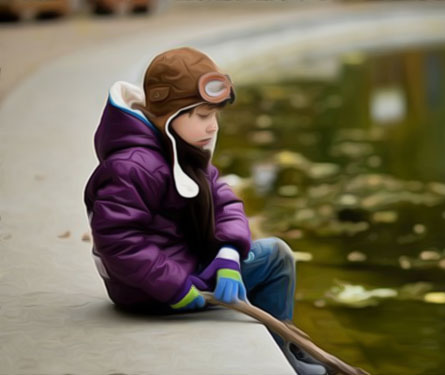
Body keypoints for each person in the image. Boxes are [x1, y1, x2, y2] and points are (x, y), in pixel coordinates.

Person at [83, 47, 326, 375]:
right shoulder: (130, 167)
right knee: (273, 259)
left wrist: (228, 252)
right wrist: (175, 286)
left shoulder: (183, 151)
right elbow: (119, 242)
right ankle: (286, 357)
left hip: (188, 267)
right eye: (201, 116)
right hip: (151, 290)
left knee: (276, 255)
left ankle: (288, 346)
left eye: (214, 116)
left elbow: (226, 202)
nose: (212, 127)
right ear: (170, 115)